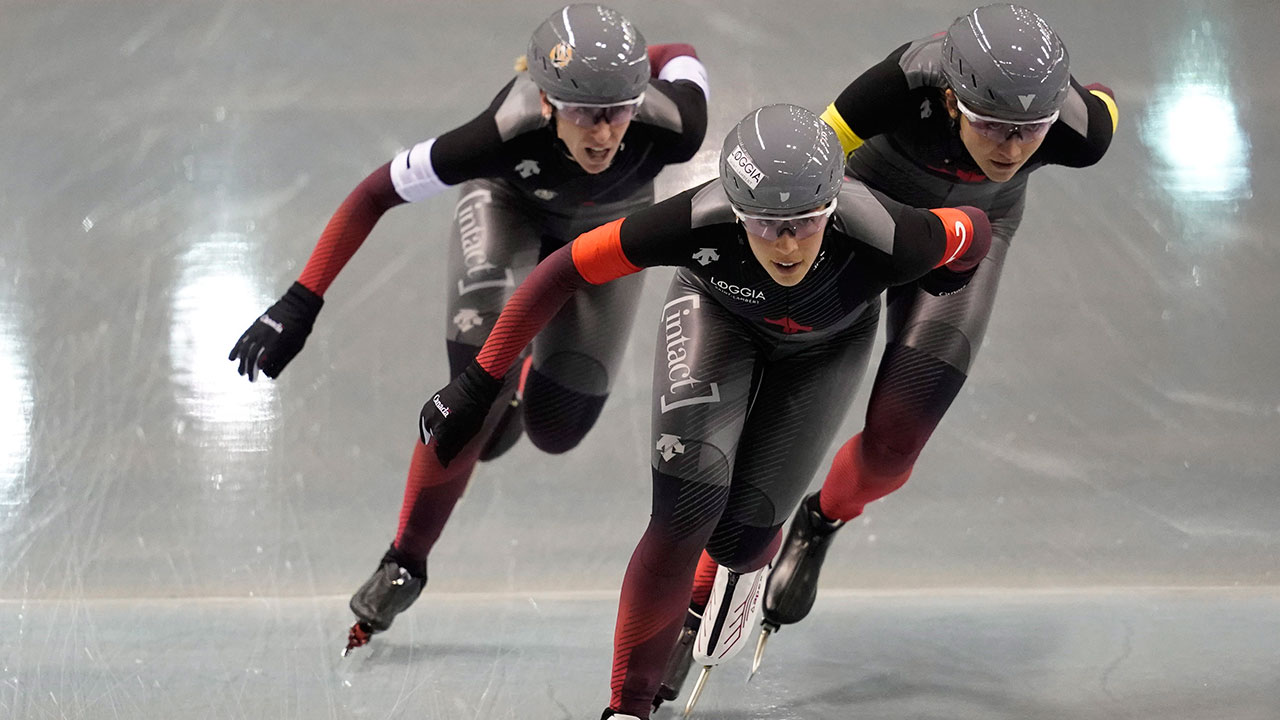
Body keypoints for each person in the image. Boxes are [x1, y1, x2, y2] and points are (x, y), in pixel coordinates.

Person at [416, 103, 992, 720]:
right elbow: (560, 272)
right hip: (716, 321)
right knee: (683, 513)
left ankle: (719, 586)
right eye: (766, 225)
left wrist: (949, 281)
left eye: (803, 222)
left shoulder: (895, 235)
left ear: (830, 206)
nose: (788, 244)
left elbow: (976, 230)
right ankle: (627, 708)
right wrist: (476, 386)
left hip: (827, 349)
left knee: (741, 537)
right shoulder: (693, 221)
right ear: (737, 211)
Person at [224, 3, 710, 653]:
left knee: (557, 429)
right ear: (544, 100)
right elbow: (374, 194)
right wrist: (299, 300)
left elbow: (680, 49)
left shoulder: (678, 125)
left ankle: (525, 366)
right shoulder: (499, 133)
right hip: (507, 206)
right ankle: (405, 560)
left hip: (604, 229)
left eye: (619, 107)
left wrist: (632, 65)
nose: (603, 134)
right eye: (583, 112)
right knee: (471, 408)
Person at [747, 2, 1120, 660]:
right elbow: (813, 170)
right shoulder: (899, 83)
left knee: (894, 447)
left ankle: (822, 518)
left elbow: (1103, 105)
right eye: (992, 125)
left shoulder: (1080, 129)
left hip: (975, 237)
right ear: (951, 99)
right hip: (870, 215)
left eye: (1030, 130)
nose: (1010, 149)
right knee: (789, 373)